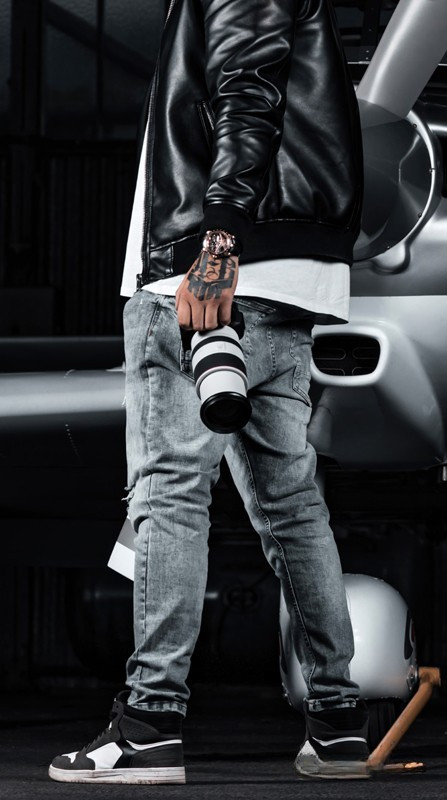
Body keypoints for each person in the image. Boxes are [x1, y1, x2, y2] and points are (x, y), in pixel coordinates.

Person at [49, 0, 370, 784]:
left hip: (204, 281)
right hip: (286, 283)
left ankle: (150, 722)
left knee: (170, 494)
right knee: (292, 506)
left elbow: (247, 88)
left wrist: (217, 242)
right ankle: (336, 723)